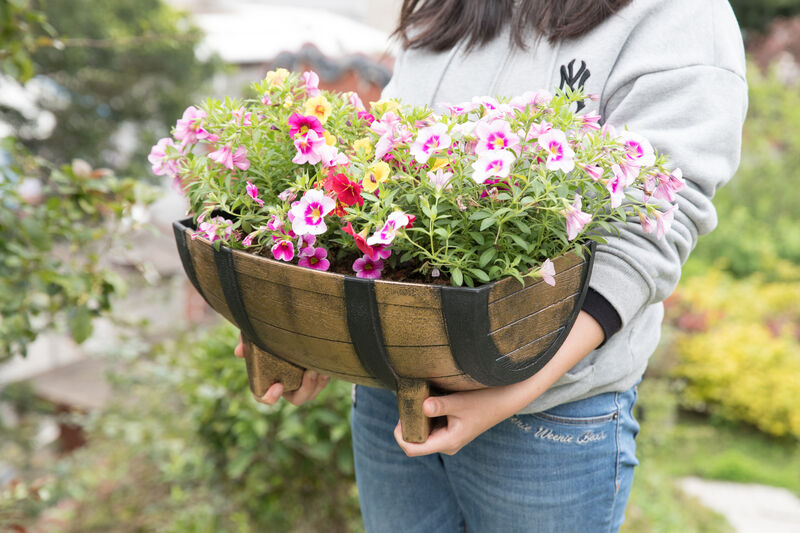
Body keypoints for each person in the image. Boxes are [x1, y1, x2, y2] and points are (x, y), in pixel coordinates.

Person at [235, 0, 748, 530]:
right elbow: (382, 182)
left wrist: (512, 389)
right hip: (392, 396)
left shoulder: (681, 14)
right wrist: (315, 334)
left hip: (546, 419)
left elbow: (649, 233)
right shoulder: (447, 7)